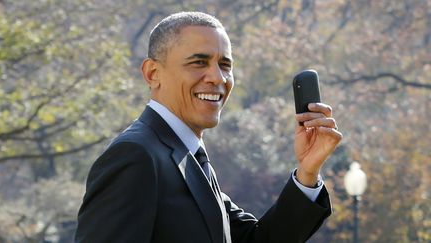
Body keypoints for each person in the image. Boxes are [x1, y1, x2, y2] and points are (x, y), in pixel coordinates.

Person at [75, 11, 342, 243]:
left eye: (225, 65)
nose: (217, 77)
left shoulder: (187, 156)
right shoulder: (136, 156)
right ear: (152, 73)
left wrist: (308, 172)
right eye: (198, 62)